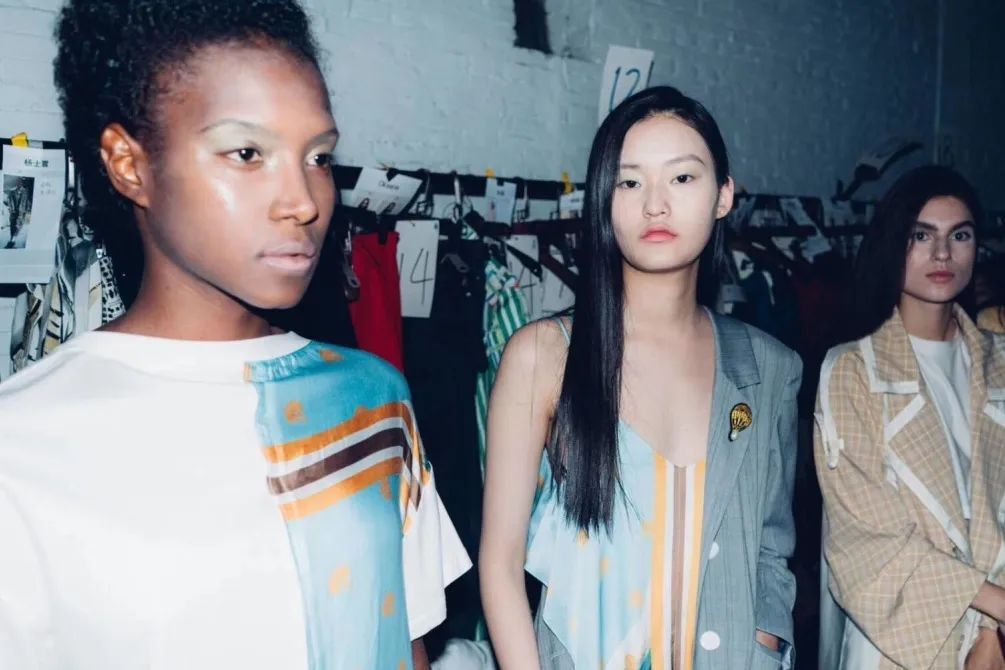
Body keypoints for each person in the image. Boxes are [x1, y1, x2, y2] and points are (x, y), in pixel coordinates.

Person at [0, 1, 469, 668]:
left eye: (318, 157)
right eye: (247, 153)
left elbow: (402, 638)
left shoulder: (371, 401)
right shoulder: (23, 443)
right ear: (129, 165)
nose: (303, 201)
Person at [480, 86, 801, 670]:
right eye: (629, 182)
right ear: (604, 200)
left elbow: (771, 545)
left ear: (723, 195)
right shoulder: (544, 355)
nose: (655, 204)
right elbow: (501, 563)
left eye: (682, 178)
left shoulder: (769, 366)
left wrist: (767, 643)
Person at [815, 165, 1005, 669]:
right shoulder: (853, 371)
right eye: (922, 235)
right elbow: (865, 537)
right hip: (901, 639)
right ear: (893, 244)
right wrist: (995, 606)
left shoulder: (1000, 361)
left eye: (959, 235)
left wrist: (991, 633)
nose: (942, 254)